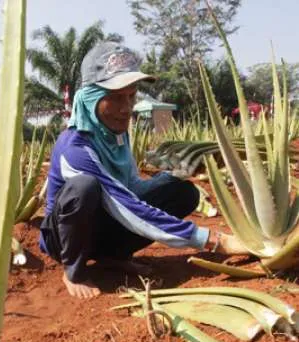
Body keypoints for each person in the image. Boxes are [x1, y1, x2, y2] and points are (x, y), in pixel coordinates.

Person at [39, 42, 247, 299]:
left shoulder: (116, 133)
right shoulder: (76, 146)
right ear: (91, 98)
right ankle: (74, 270)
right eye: (115, 98)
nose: (126, 108)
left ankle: (112, 256)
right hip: (63, 238)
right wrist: (216, 240)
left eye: (131, 96)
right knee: (85, 187)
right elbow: (124, 204)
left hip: (101, 220)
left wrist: (169, 180)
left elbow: (131, 187)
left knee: (182, 191)